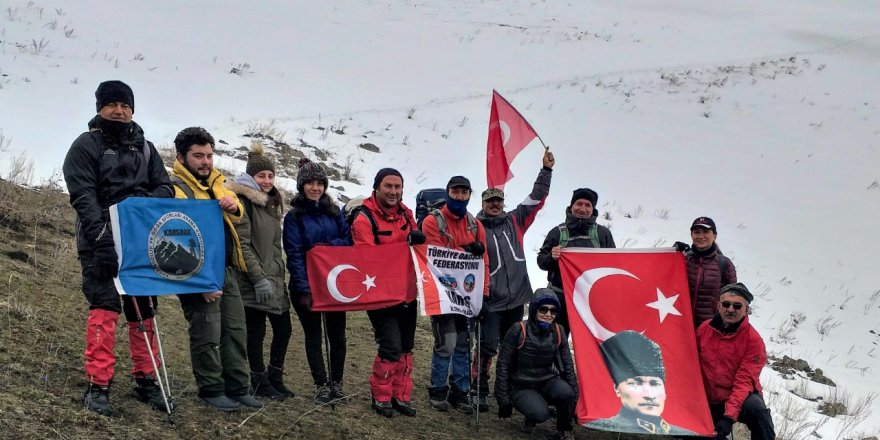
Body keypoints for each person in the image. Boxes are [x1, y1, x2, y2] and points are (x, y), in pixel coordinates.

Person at [62, 80, 173, 415]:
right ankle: (98, 386)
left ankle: (146, 380)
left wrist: (138, 202)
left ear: (132, 109)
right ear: (99, 108)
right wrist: (101, 239)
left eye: (125, 105)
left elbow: (166, 189)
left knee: (144, 310)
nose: (119, 110)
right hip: (99, 242)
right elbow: (83, 196)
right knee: (105, 306)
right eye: (112, 104)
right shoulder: (85, 145)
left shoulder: (147, 148)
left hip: (140, 244)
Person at [171, 127, 262, 411]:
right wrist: (200, 281)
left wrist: (234, 208)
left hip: (225, 268)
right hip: (197, 272)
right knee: (207, 332)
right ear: (181, 157)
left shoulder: (217, 182)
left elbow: (238, 215)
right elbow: (177, 235)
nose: (205, 161)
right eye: (198, 156)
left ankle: (238, 387)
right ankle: (211, 388)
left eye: (209, 155)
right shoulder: (175, 188)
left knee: (235, 330)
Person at [472, 149, 554, 412]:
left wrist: (546, 171)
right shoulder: (474, 228)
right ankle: (479, 389)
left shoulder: (515, 221)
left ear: (503, 203)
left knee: (515, 348)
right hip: (491, 302)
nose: (495, 205)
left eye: (498, 201)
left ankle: (508, 391)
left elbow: (536, 198)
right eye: (490, 201)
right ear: (483, 204)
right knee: (486, 348)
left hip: (518, 300)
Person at [351, 168, 425, 418]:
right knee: (391, 348)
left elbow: (419, 250)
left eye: (398, 187)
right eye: (388, 186)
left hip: (406, 292)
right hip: (381, 295)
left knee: (406, 348)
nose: (394, 191)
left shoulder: (406, 214)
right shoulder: (364, 218)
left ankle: (400, 396)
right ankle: (380, 396)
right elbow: (367, 257)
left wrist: (418, 239)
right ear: (377, 188)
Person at [283, 158, 351, 405]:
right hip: (307, 286)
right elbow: (295, 254)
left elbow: (347, 241)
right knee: (314, 335)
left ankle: (337, 383)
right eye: (310, 183)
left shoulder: (334, 212)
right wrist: (303, 289)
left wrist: (324, 248)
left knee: (337, 336)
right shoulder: (294, 217)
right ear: (302, 186)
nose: (315, 188)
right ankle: (320, 384)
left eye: (319, 183)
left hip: (334, 286)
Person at [227, 142, 292, 401]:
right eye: (261, 176)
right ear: (250, 177)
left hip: (274, 278)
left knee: (284, 329)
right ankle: (257, 379)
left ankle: (274, 377)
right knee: (256, 333)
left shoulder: (271, 204)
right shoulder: (244, 203)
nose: (267, 180)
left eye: (270, 176)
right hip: (252, 279)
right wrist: (258, 279)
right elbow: (243, 245)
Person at [421, 175, 489, 415]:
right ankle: (438, 389)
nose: (459, 197)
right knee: (446, 344)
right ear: (448, 192)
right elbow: (434, 253)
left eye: (464, 192)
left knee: (463, 344)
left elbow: (484, 261)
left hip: (468, 294)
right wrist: (467, 250)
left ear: (470, 194)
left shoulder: (475, 224)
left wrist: (485, 292)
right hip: (442, 293)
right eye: (455, 192)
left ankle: (460, 391)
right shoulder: (433, 221)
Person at [495, 289, 577, 439]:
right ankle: (531, 415)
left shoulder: (558, 331)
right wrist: (503, 399)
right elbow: (503, 366)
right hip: (520, 384)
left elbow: (568, 367)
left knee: (567, 393)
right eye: (543, 309)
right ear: (534, 309)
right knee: (541, 414)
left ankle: (564, 428)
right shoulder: (518, 329)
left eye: (553, 311)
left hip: (546, 380)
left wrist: (575, 401)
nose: (548, 314)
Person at [697, 283, 775, 440]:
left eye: (737, 306)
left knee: (758, 411)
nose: (730, 309)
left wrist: (728, 417)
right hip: (709, 399)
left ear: (746, 310)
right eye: (726, 304)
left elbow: (744, 382)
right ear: (719, 306)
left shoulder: (754, 341)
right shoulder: (704, 329)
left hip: (739, 397)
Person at [585, 331, 696, 435]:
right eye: (635, 383)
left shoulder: (685, 433)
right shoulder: (599, 427)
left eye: (654, 383)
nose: (649, 395)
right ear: (617, 388)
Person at [537, 188, 615, 334]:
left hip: (591, 299)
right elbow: (541, 262)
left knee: (591, 343)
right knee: (556, 340)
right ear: (571, 206)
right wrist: (552, 257)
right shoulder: (557, 232)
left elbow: (613, 264)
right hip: (561, 297)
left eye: (588, 205)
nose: (583, 209)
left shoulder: (602, 234)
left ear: (593, 209)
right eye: (579, 204)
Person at [674, 217, 737, 327]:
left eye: (706, 232)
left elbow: (733, 299)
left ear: (715, 235)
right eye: (696, 232)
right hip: (681, 327)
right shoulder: (683, 259)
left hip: (710, 330)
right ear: (691, 235)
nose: (701, 236)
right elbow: (664, 281)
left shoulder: (724, 264)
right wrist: (672, 253)